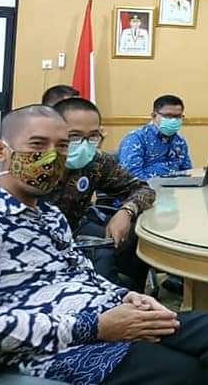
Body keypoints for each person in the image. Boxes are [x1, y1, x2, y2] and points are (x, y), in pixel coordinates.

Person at [0, 105, 208, 385]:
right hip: (53, 347)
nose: (51, 156)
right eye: (37, 145)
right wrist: (95, 327)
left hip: (106, 314)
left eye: (61, 147)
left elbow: (83, 274)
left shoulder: (51, 216)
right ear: (1, 151)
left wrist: (127, 296)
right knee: (181, 370)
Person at [51, 97, 155, 287]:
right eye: (74, 136)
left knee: (138, 238)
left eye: (93, 136)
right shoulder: (36, 165)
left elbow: (143, 188)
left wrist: (126, 211)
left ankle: (133, 292)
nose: (84, 144)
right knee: (103, 258)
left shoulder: (96, 161)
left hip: (76, 226)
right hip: (36, 237)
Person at [118, 95, 192, 179]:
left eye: (177, 116)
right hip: (147, 186)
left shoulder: (180, 141)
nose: (173, 120)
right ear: (154, 115)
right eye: (168, 116)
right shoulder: (136, 138)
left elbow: (187, 171)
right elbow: (131, 176)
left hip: (176, 186)